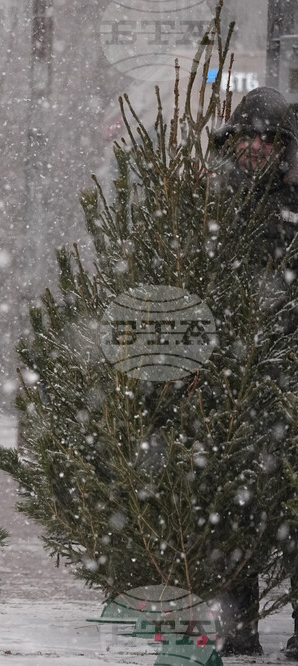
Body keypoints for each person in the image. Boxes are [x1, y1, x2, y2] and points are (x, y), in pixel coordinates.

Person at [209, 86, 298, 658]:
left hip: (289, 375)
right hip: (230, 381)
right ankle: (237, 627)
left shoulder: (293, 204)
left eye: (269, 138)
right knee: (230, 506)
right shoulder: (212, 204)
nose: (257, 147)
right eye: (248, 136)